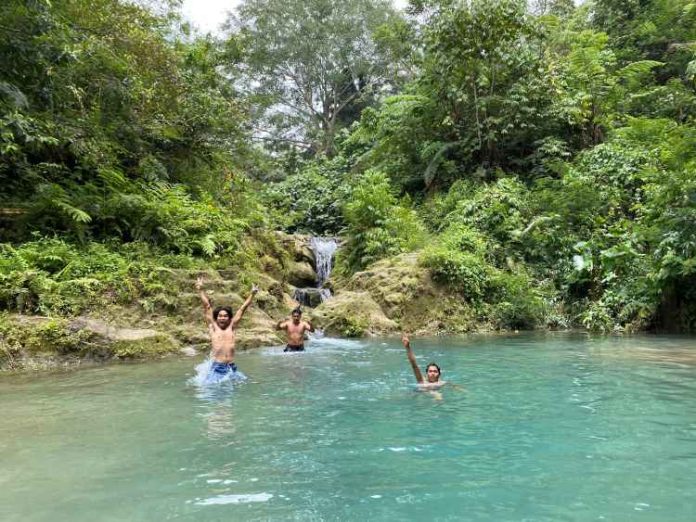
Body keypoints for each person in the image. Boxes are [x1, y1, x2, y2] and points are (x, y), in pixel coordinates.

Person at [196, 276, 258, 382]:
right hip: (217, 368)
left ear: (229, 318)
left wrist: (252, 294)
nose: (222, 318)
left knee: (246, 383)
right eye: (220, 316)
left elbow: (242, 309)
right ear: (216, 318)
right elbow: (207, 306)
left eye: (225, 316)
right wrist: (200, 290)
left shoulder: (231, 327)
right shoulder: (213, 327)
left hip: (231, 367)